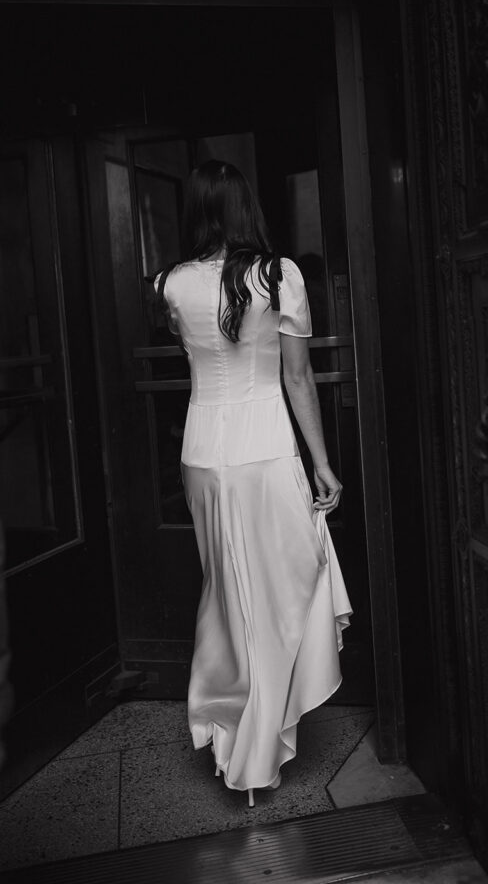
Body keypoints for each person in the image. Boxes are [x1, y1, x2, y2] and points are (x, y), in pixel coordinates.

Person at [154, 161, 351, 808]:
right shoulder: (279, 275)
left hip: (203, 454)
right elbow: (297, 380)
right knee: (280, 589)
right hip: (265, 453)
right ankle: (256, 748)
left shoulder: (171, 283)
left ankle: (229, 728)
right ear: (246, 208)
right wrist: (321, 461)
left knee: (228, 593)